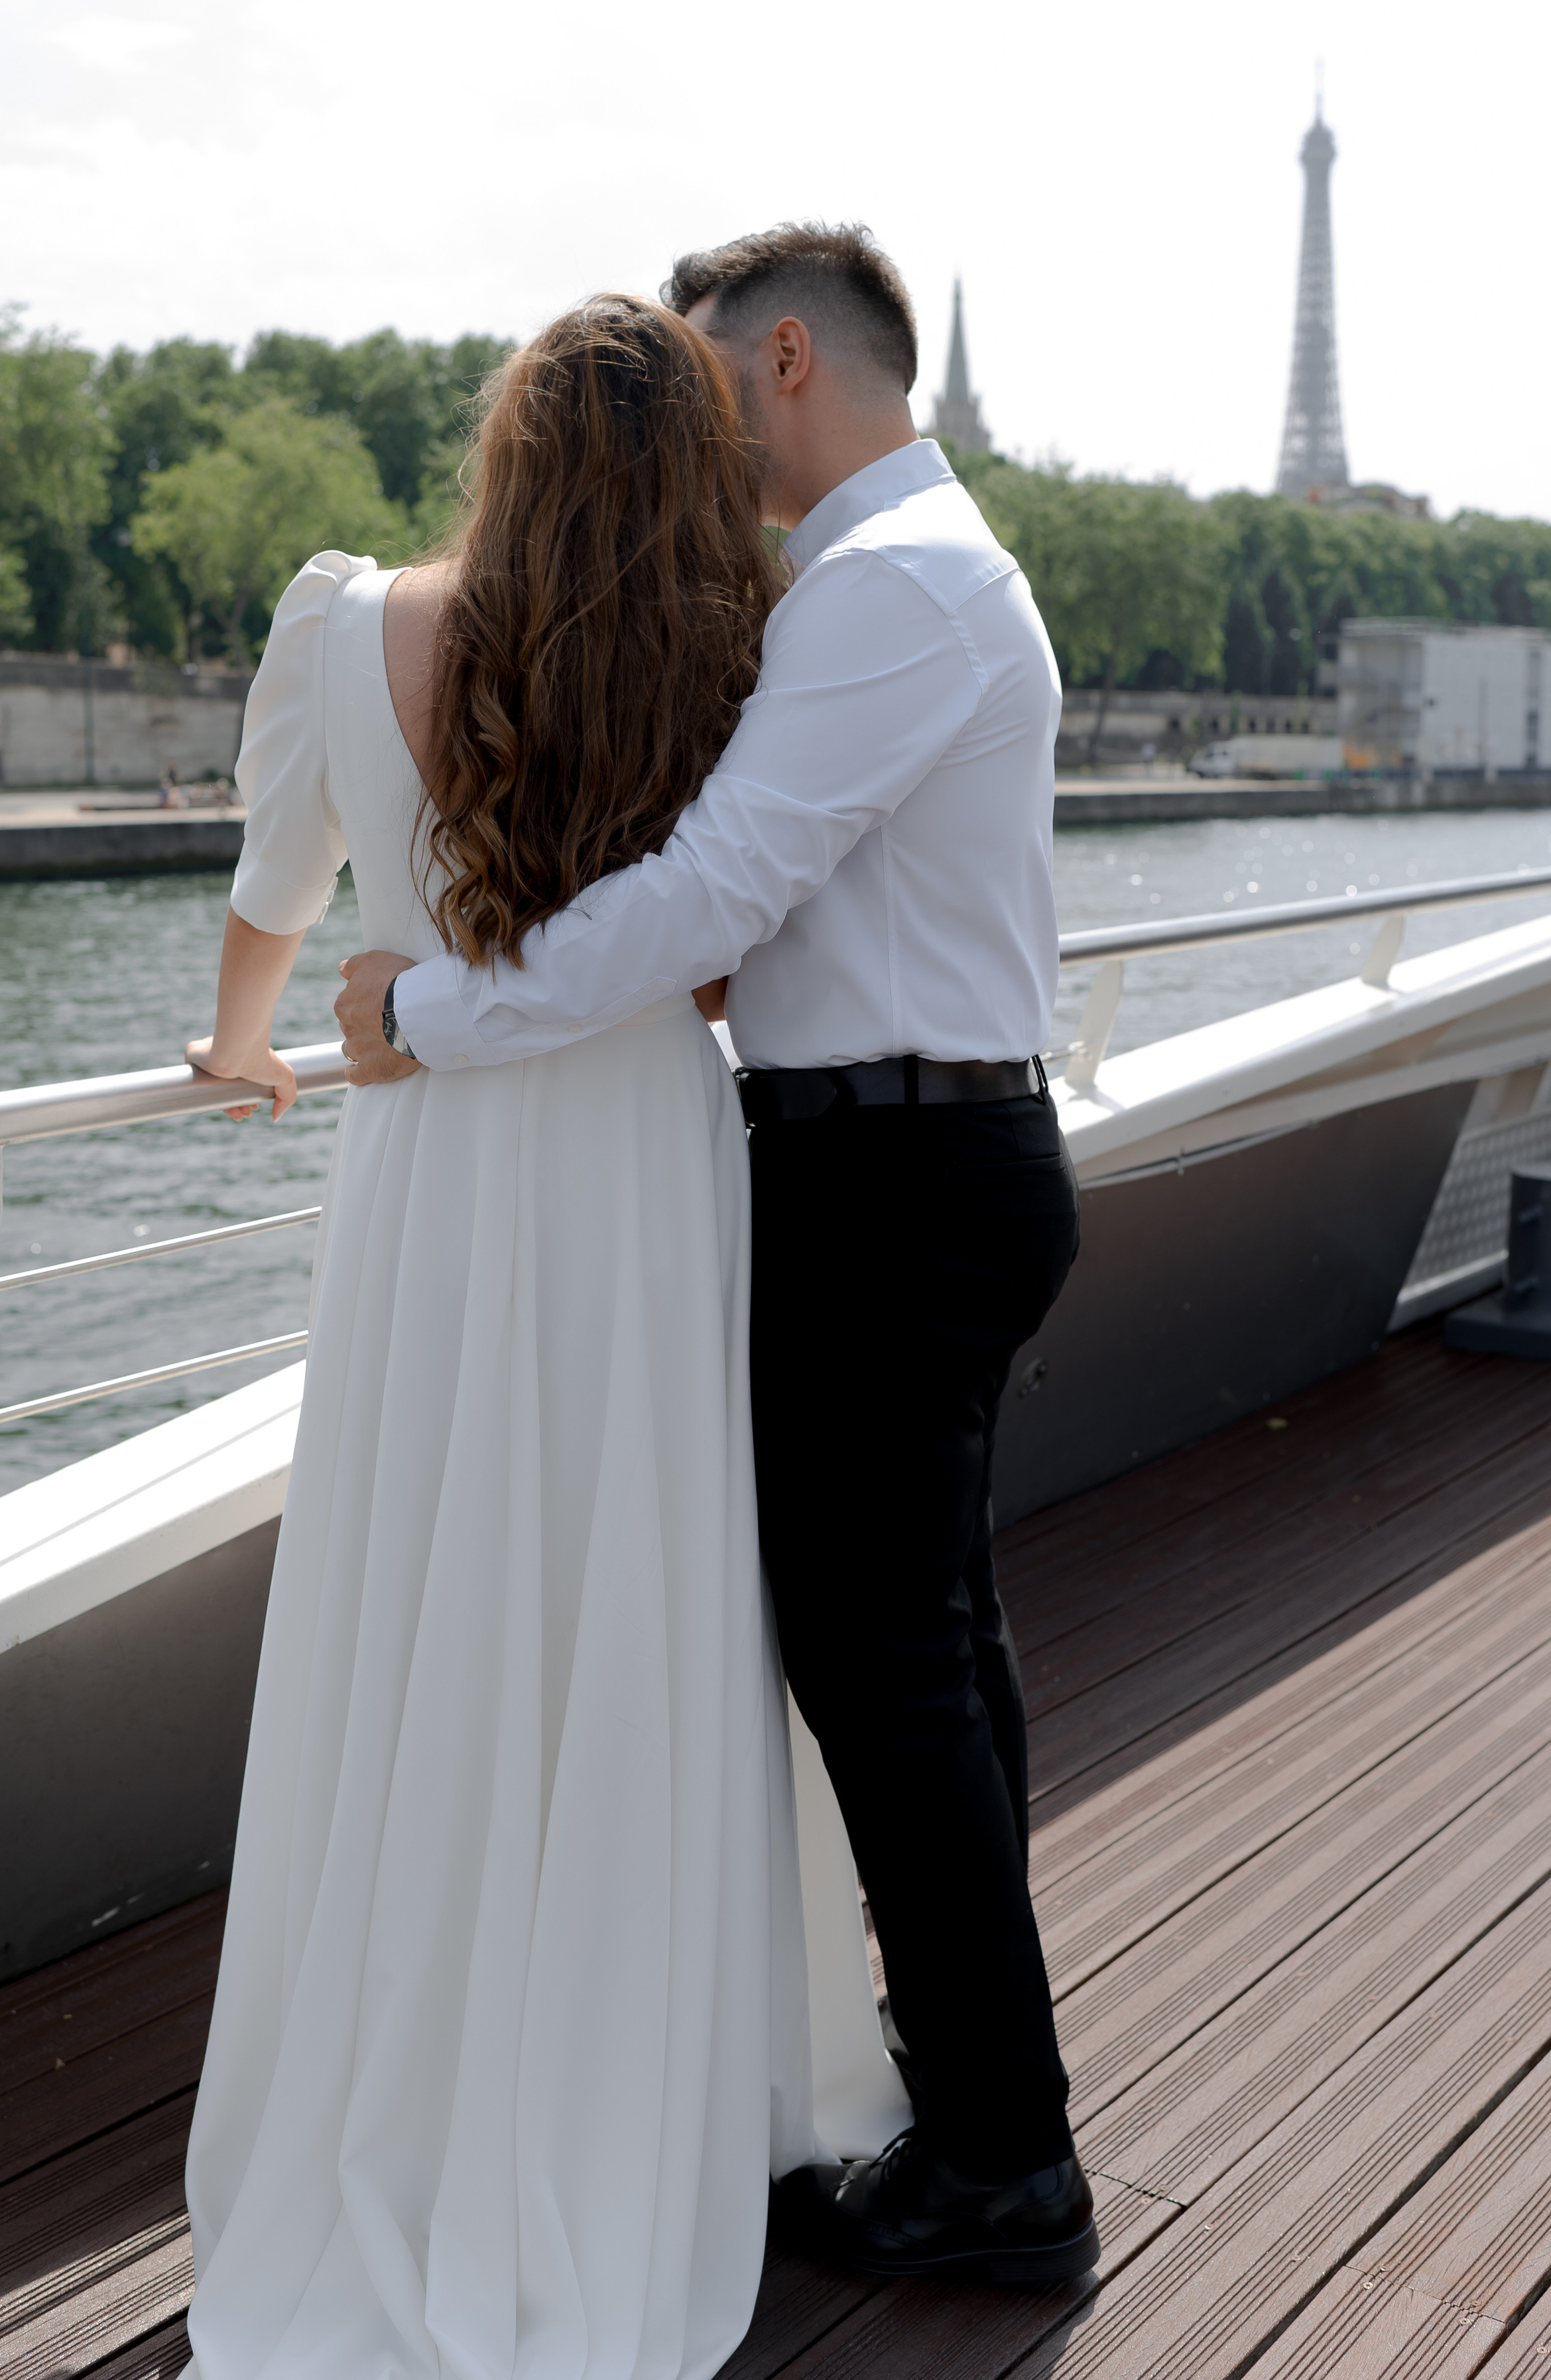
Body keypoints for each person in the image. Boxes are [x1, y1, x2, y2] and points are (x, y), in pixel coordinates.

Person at [336, 223, 1097, 2286]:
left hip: (890, 1181)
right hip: (938, 1157)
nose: (681, 437)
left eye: (694, 388)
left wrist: (432, 1016)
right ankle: (984, 2108)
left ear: (781, 361)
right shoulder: (925, 575)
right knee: (939, 1656)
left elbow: (712, 891)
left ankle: (1006, 2162)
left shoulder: (887, 591)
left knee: (893, 1678)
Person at [178, 295, 900, 2380]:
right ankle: (638, 2066)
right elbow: (732, 939)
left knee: (427, 1605)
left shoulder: (347, 627)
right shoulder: (736, 649)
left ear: (498, 442)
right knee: (635, 1598)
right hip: (652, 1177)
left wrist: (241, 1052)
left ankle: (399, 2078)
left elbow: (276, 894)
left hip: (427, 1161)